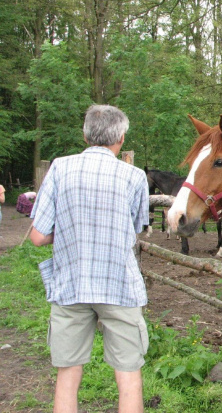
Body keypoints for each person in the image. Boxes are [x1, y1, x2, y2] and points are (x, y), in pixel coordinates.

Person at [30, 105, 150, 413]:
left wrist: (72, 229)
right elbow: (134, 229)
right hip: (119, 287)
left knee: (68, 375)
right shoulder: (134, 176)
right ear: (121, 138)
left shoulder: (59, 168)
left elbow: (38, 236)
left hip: (71, 284)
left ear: (85, 135)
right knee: (128, 376)